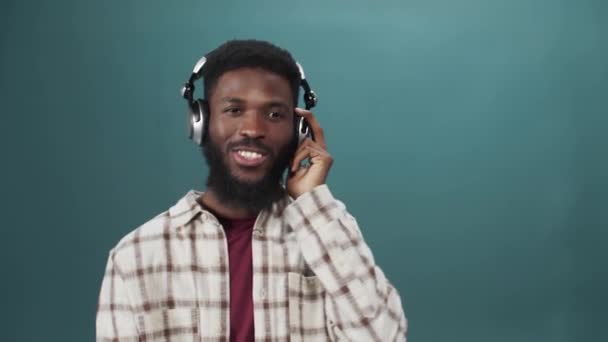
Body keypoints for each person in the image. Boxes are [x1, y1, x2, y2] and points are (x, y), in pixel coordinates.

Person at [96, 39, 407, 341]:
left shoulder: (327, 235)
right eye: (234, 110)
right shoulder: (134, 256)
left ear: (300, 132)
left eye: (274, 114)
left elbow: (384, 336)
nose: (253, 129)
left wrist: (313, 203)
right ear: (200, 122)